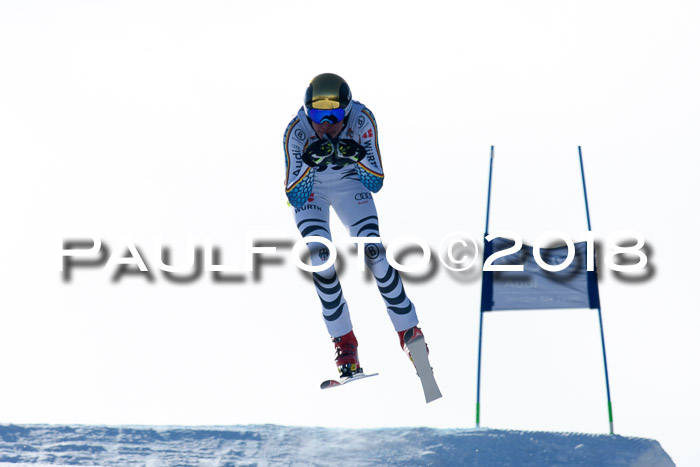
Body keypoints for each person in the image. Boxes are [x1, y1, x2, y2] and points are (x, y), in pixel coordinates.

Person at [283, 73, 428, 378]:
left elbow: (375, 182)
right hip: (313, 191)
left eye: (334, 115)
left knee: (373, 252)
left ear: (347, 112)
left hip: (350, 185)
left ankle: (409, 333)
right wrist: (310, 162)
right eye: (318, 116)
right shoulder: (296, 132)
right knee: (319, 260)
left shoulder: (362, 121)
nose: (326, 124)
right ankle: (345, 343)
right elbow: (294, 193)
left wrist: (357, 155)